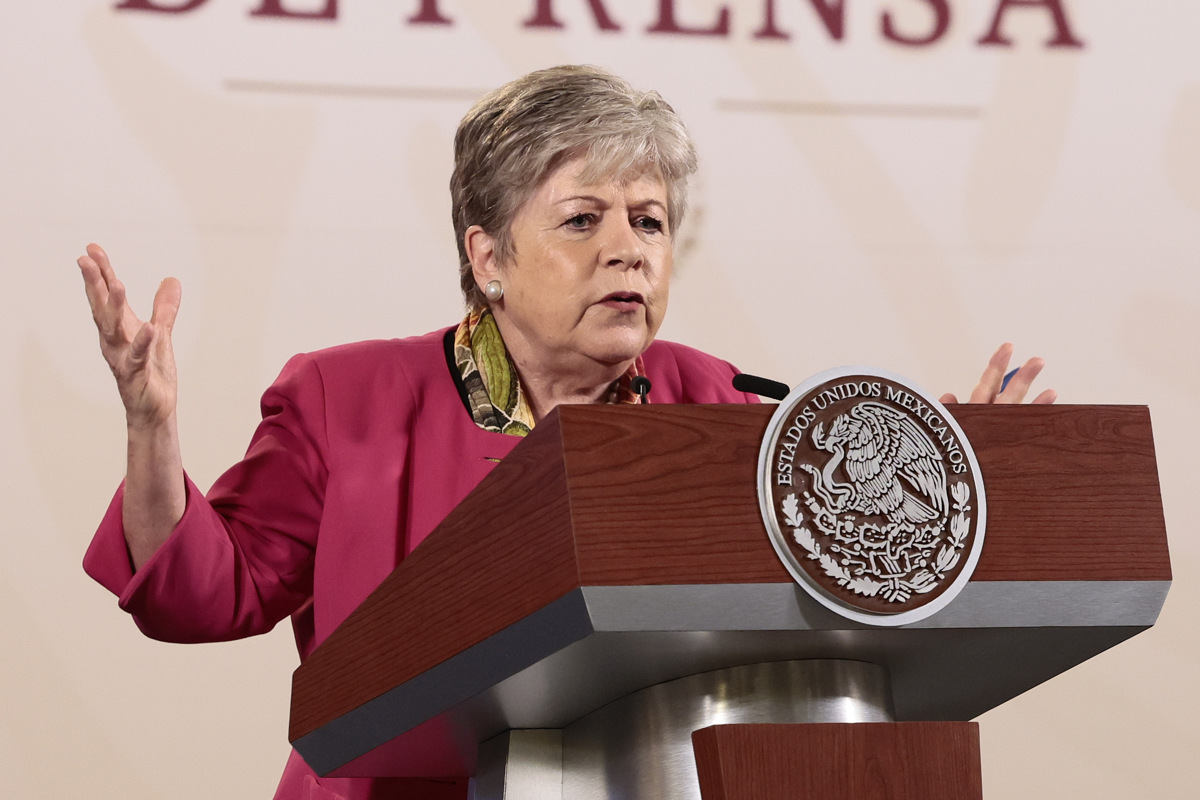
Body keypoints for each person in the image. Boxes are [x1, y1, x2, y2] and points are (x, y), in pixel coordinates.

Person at [77, 65, 1054, 800]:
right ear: (489, 254)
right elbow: (205, 594)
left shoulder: (709, 398)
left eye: (651, 221)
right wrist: (153, 428)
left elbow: (818, 595)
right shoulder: (349, 395)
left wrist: (952, 486)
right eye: (584, 219)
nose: (629, 247)